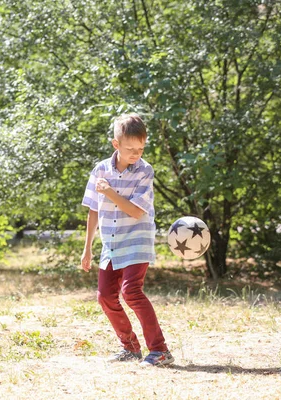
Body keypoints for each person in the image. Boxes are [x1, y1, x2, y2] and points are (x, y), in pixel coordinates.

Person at [80, 113, 174, 367]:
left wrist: (109, 191)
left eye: (141, 148)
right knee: (105, 296)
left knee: (131, 291)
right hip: (110, 243)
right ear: (116, 144)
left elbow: (135, 210)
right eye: (130, 148)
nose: (136, 153)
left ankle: (160, 350)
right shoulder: (100, 170)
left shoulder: (145, 170)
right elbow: (93, 209)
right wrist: (87, 248)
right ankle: (130, 347)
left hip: (136, 240)